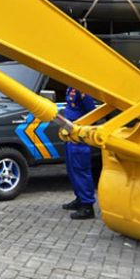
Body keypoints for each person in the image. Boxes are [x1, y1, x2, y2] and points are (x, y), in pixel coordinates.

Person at [61, 87, 97, 220]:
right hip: (70, 136)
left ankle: (87, 206)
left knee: (81, 171)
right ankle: (80, 199)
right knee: (72, 170)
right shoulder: (71, 86)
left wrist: (82, 130)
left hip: (79, 139)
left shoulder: (83, 90)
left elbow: (93, 113)